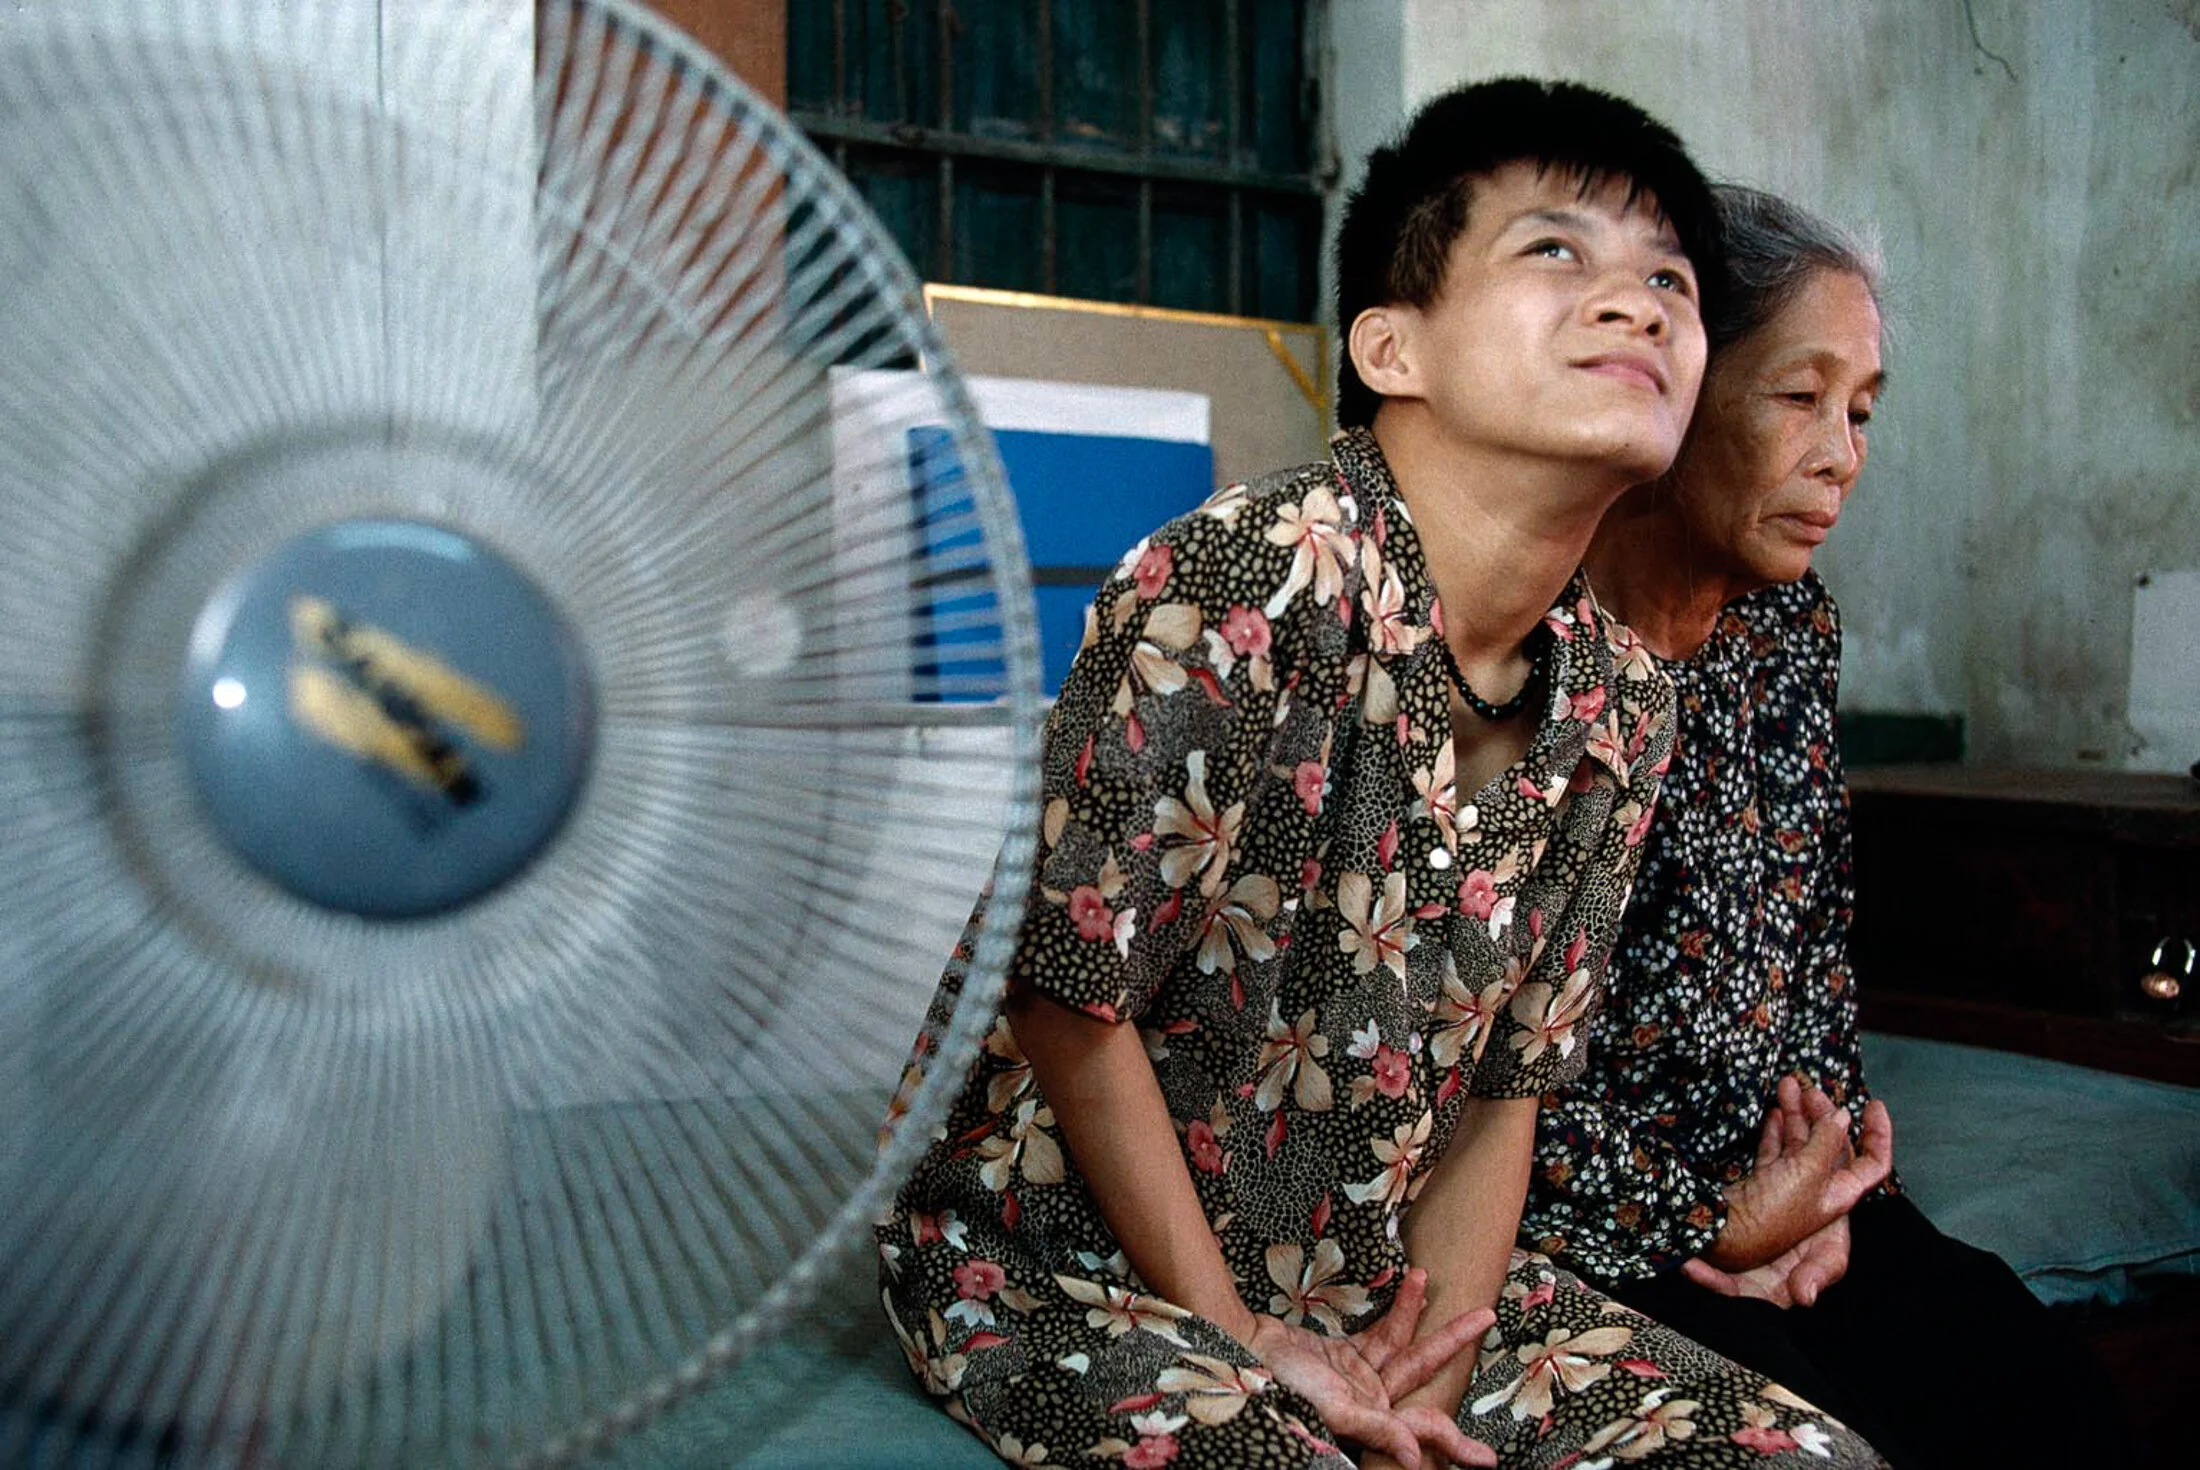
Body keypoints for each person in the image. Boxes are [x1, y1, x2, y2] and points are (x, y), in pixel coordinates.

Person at [877, 83, 1884, 1469]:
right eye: (1556, 253)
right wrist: (1241, 1336)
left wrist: (1439, 1363)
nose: (1639, 304)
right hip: (1065, 1266)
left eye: (1671, 281)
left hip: (1368, 1274)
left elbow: (1507, 1088)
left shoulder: (1624, 702)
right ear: (1392, 345)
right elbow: (1068, 997)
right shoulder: (1246, 575)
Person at [1526, 184, 2133, 1468]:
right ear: (1672, 389)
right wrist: (1713, 1224)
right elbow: (1465, 1065)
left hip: (1773, 1184)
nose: (1842, 454)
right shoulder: (1524, 655)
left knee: (2055, 1411)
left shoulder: (1787, 628)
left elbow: (1810, 948)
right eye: (1798, 398)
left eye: (1859, 411)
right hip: (1579, 1218)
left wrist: (1830, 1190)